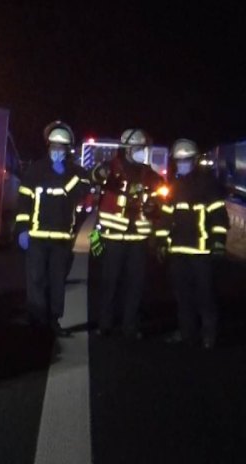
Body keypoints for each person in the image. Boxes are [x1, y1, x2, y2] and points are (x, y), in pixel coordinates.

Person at [15, 121, 89, 336]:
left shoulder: (77, 173)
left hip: (62, 238)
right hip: (36, 237)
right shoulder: (34, 171)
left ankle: (54, 320)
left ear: (68, 149)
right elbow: (24, 202)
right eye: (54, 146)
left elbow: (82, 192)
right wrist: (21, 229)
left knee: (57, 281)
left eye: (61, 147)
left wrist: (65, 173)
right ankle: (37, 320)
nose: (57, 151)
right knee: (36, 279)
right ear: (48, 146)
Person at [92, 128, 165, 338]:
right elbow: (94, 176)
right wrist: (101, 174)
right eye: (136, 148)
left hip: (138, 240)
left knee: (135, 284)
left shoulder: (149, 174)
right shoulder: (110, 169)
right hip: (113, 237)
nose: (140, 151)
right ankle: (105, 325)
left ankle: (130, 326)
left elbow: (161, 198)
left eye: (142, 148)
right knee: (109, 283)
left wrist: (155, 208)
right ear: (126, 148)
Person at [156, 139, 229, 349]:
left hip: (202, 251)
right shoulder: (173, 187)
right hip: (178, 251)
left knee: (205, 295)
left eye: (185, 161)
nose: (181, 165)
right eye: (178, 161)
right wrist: (161, 241)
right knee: (183, 296)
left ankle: (209, 336)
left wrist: (218, 244)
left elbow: (218, 218)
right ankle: (187, 333)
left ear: (194, 160)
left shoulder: (208, 185)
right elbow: (166, 218)